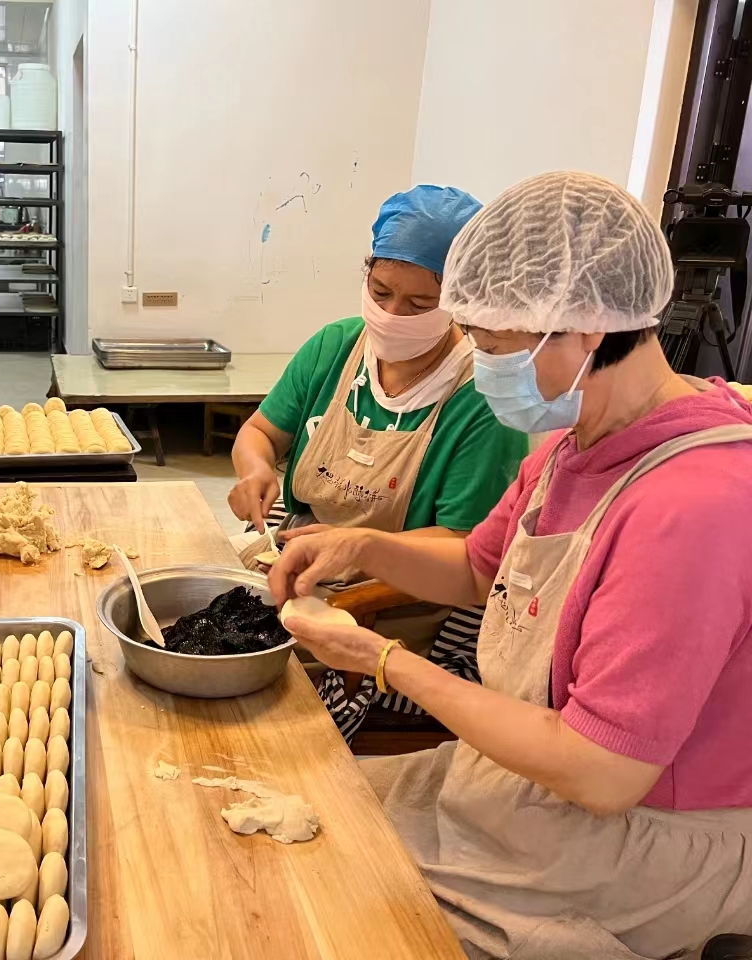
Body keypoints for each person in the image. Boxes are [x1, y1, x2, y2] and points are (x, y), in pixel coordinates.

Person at [273, 171, 752, 959]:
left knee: (337, 912)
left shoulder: (692, 507)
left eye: (495, 349)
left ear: (585, 328)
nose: (482, 365)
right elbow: (477, 568)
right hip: (528, 779)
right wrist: (362, 547)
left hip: (640, 838)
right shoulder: (578, 444)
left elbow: (602, 772)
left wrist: (386, 661)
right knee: (306, 817)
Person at [229, 185, 527, 740]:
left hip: (391, 608)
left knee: (253, 710)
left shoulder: (481, 400)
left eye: (419, 305)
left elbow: (467, 549)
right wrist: (256, 469)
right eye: (380, 291)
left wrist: (360, 553)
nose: (391, 316)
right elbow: (260, 433)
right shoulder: (336, 347)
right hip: (296, 565)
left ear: (461, 301)